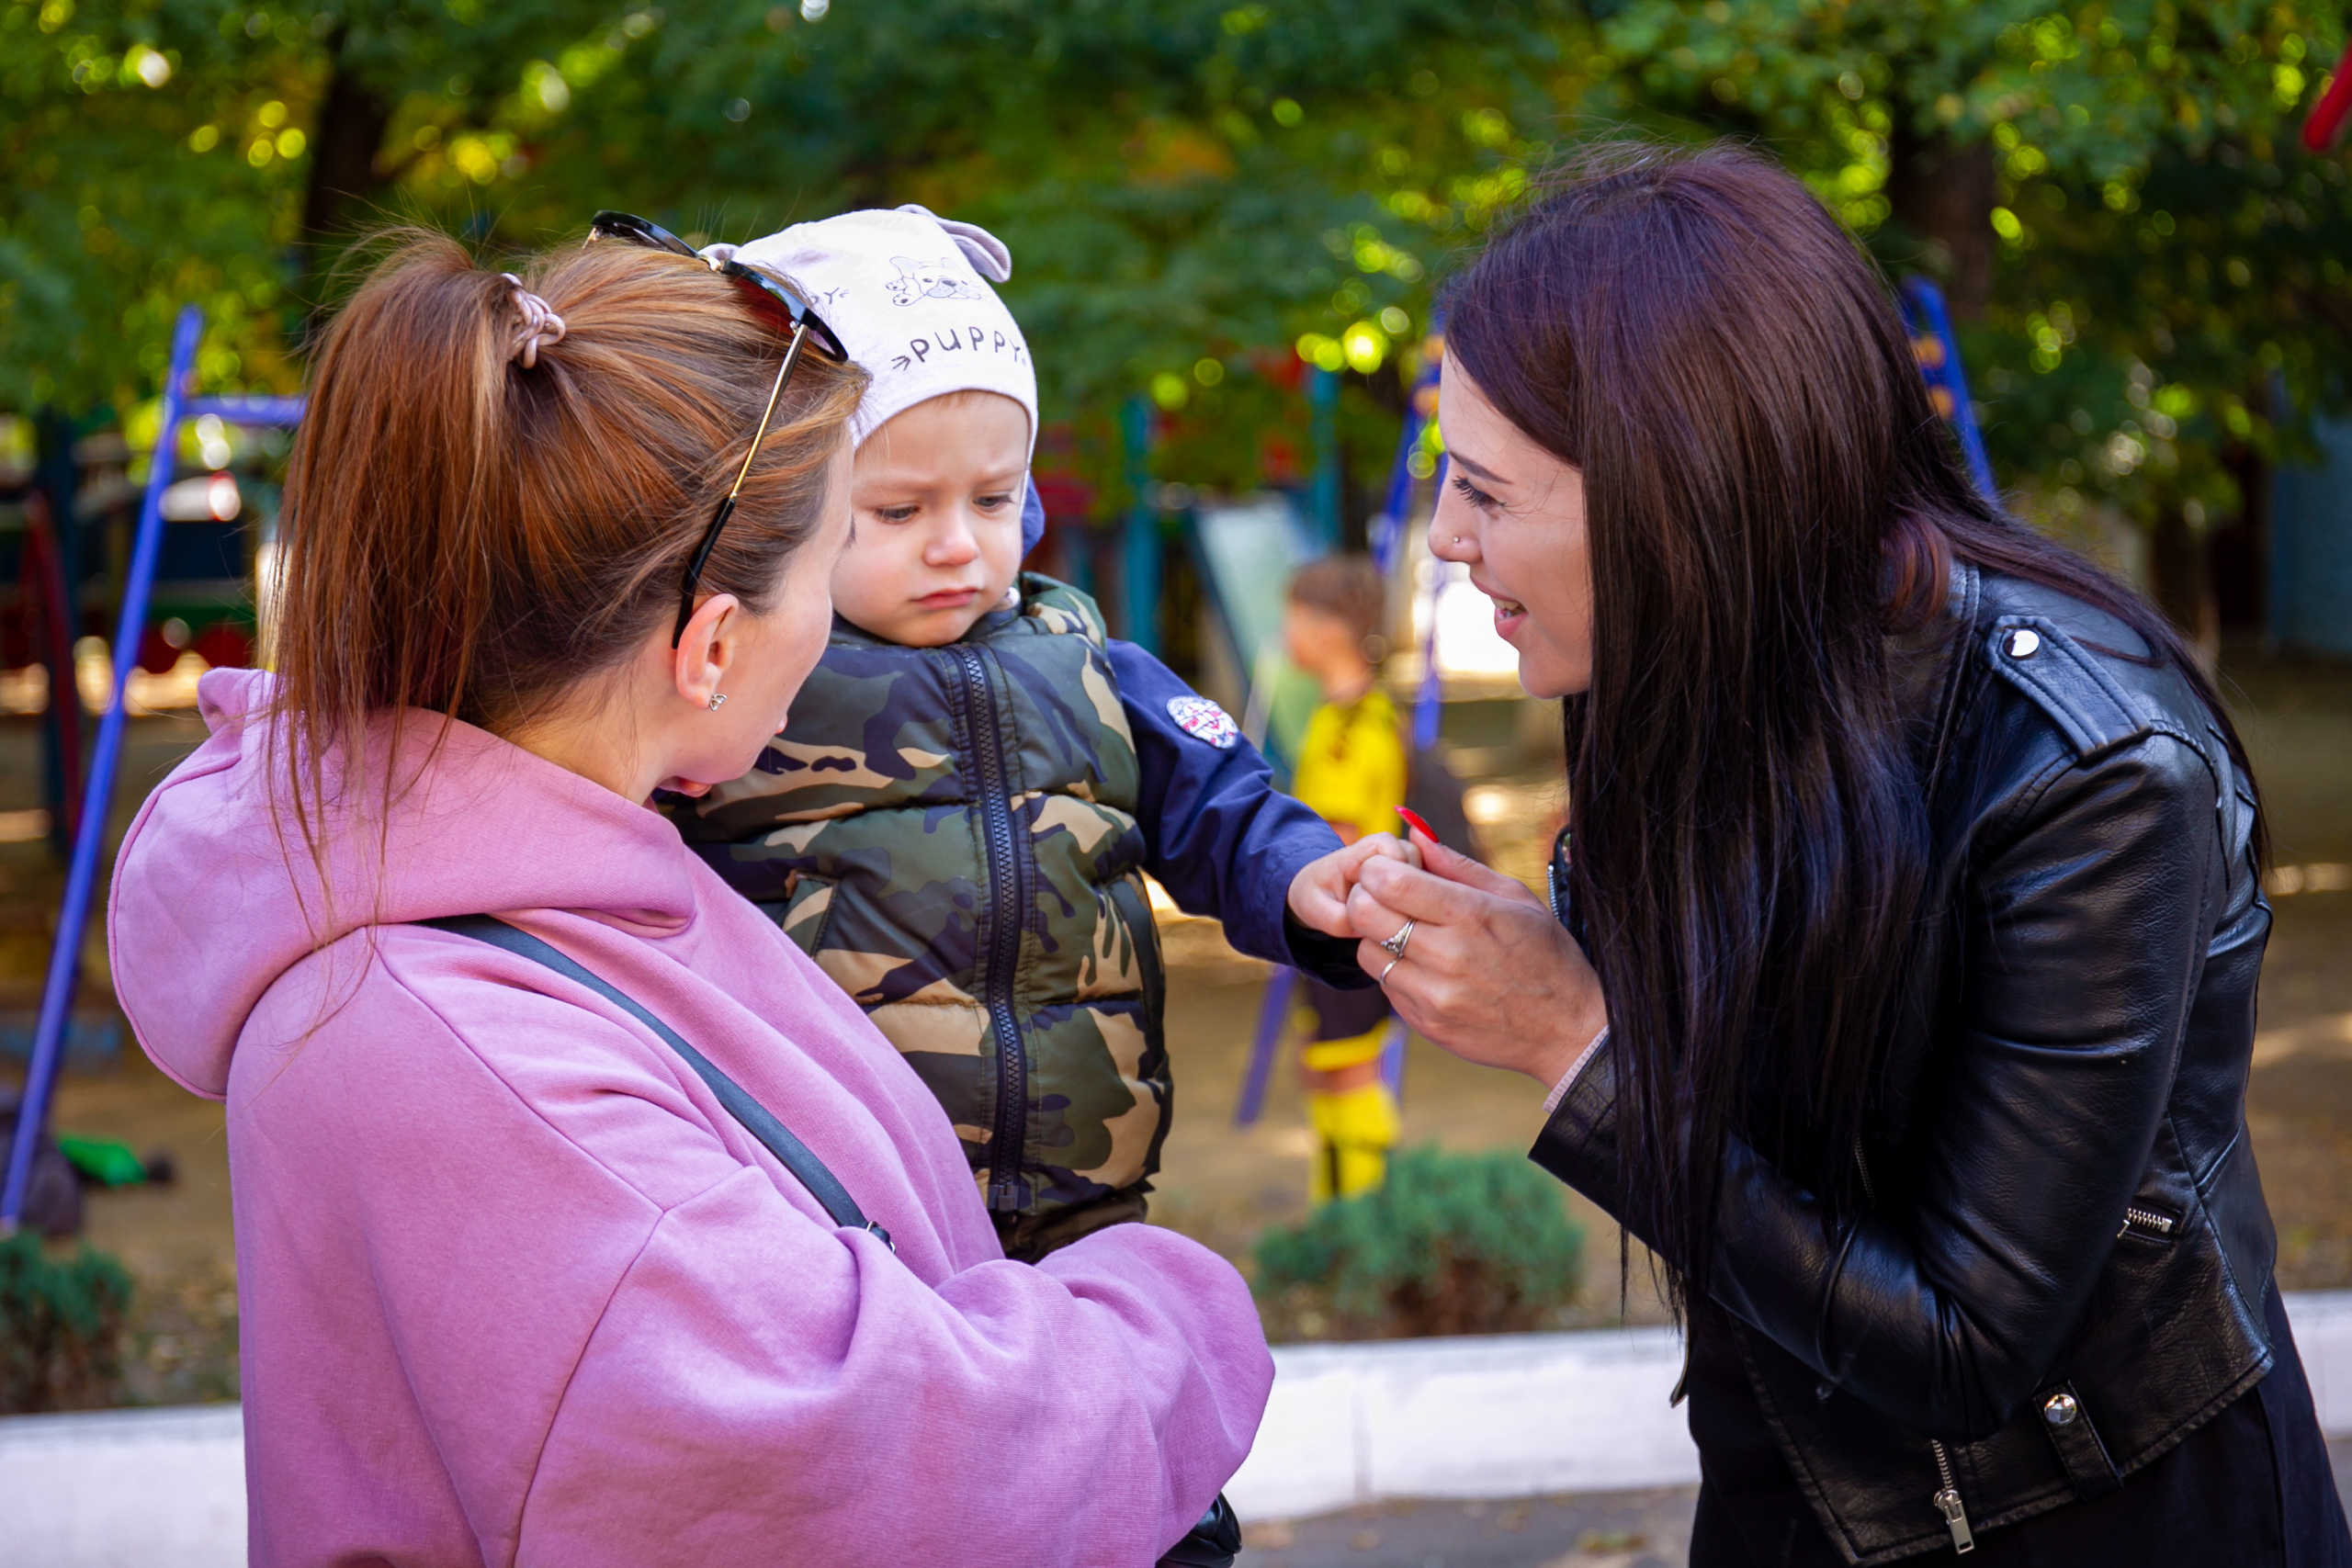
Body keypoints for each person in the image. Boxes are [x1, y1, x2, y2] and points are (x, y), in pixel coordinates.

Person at [107, 225, 1373, 1566]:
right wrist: (1162, 1312)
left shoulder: (563, 890)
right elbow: (852, 1463)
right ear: (712, 641)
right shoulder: (485, 1051)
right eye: (845, 547)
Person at [1299, 143, 2352, 1564]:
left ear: (1676, 484)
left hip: (2098, 1514)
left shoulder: (2092, 773)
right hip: (1793, 1487)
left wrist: (1574, 1042)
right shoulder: (1678, 676)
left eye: (1486, 491)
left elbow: (1969, 1340)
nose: (1443, 541)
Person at [671, 207, 1386, 1260]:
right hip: (830, 1212)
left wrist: (1301, 879)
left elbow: (1227, 812)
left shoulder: (1089, 667)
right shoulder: (740, 682)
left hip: (1080, 1200)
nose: (957, 545)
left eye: (995, 498)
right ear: (785, 506)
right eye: (899, 512)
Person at [1280, 555, 1407, 1201]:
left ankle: (1362, 1222)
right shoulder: (1332, 717)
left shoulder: (1358, 728)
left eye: (1293, 618)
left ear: (1329, 629)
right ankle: (1337, 1217)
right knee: (1326, 1072)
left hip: (1356, 936)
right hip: (1330, 935)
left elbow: (1345, 839)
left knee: (1352, 1073)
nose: (1285, 633)